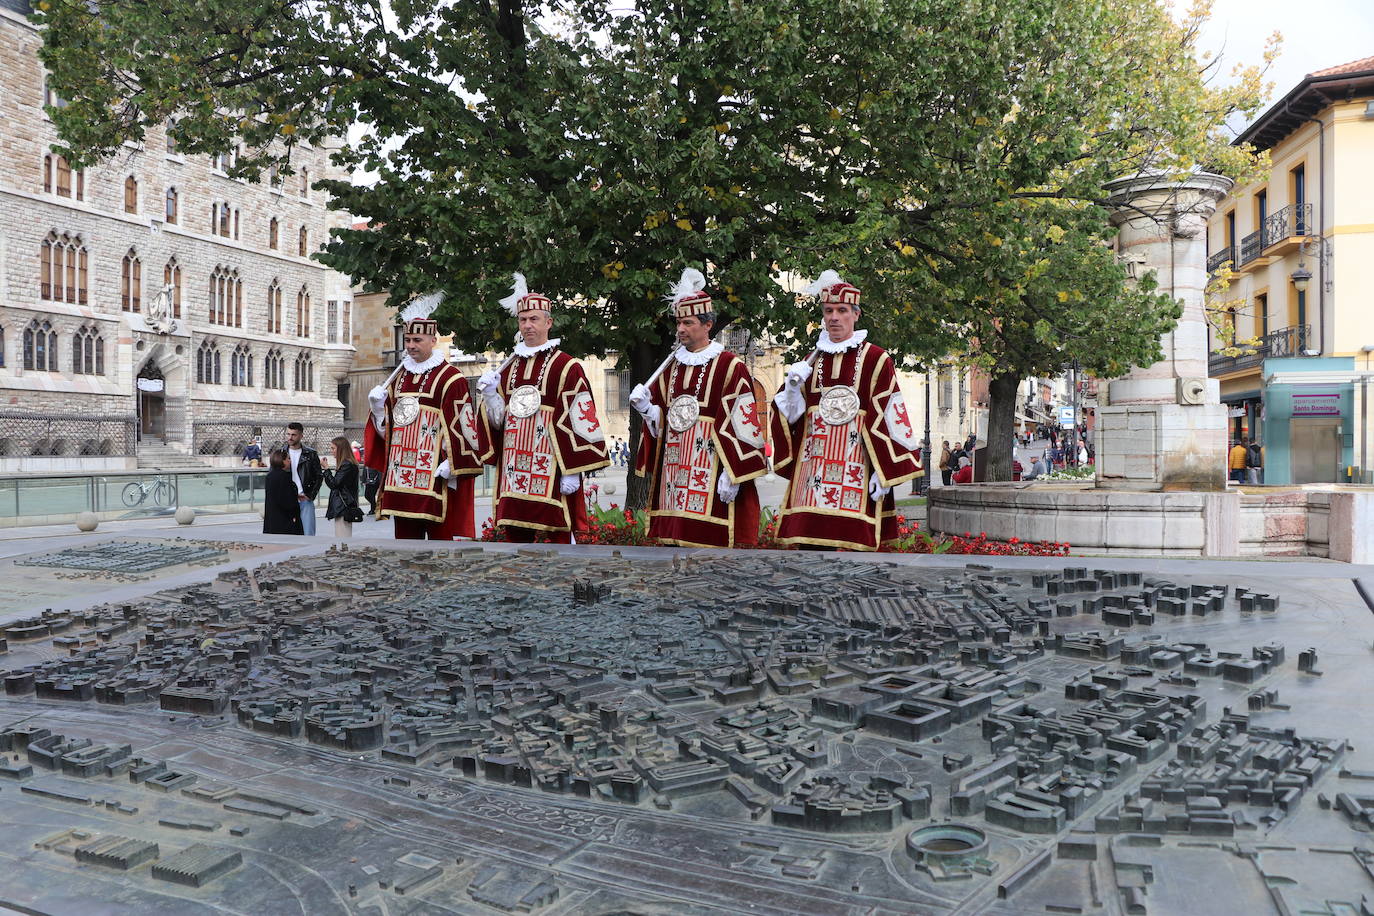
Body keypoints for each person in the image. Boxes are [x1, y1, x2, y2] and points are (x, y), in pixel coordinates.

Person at [769, 270, 921, 550]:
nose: (834, 317)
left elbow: (890, 414)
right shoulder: (810, 361)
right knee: (809, 550)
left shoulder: (876, 359)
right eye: (828, 311)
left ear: (855, 314)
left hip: (856, 470)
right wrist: (791, 389)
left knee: (853, 554)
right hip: (811, 474)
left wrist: (884, 471)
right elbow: (791, 419)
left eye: (841, 310)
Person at [630, 268, 767, 548]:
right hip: (674, 473)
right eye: (679, 322)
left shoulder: (731, 366)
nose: (680, 329)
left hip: (713, 472)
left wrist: (734, 474)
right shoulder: (669, 367)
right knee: (673, 548)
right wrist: (647, 409)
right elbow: (663, 423)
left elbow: (743, 423)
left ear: (707, 325)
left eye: (688, 322)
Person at [476, 273, 610, 542]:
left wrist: (574, 472)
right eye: (523, 320)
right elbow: (499, 422)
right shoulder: (508, 367)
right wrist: (491, 396)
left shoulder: (567, 366)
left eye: (534, 319)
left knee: (556, 541)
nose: (528, 325)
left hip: (551, 473)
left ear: (548, 322)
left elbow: (581, 419)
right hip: (513, 474)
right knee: (515, 543)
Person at [365, 293, 484, 539]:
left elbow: (466, 428)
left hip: (435, 479)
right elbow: (389, 433)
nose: (410, 346)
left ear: (433, 340)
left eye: (416, 340)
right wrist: (377, 410)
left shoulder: (452, 378)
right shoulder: (397, 379)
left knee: (441, 548)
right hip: (401, 481)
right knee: (406, 547)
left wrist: (451, 464)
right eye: (407, 339)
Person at [285, 422, 322, 536]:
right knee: (288, 535)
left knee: (308, 534)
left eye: (293, 435)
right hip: (287, 499)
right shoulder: (281, 453)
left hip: (305, 499)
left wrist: (310, 495)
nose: (290, 437)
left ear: (301, 436)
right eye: (288, 434)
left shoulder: (311, 454)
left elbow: (319, 476)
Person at [323, 436, 361, 538]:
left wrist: (326, 469)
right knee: (342, 535)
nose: (331, 451)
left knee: (342, 537)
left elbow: (334, 484)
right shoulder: (347, 464)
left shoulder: (347, 464)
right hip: (343, 504)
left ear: (340, 449)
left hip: (344, 505)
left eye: (333, 448)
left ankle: (344, 554)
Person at [262, 448, 303, 535]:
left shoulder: (270, 476)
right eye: (288, 459)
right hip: (284, 521)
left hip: (272, 519)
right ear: (282, 461)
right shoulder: (284, 477)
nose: (290, 461)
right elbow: (287, 501)